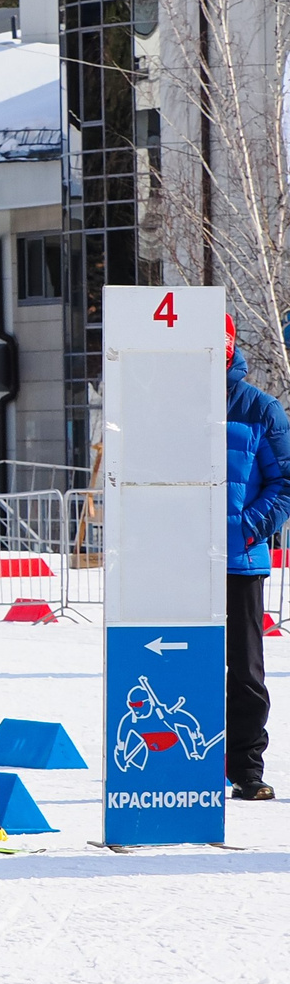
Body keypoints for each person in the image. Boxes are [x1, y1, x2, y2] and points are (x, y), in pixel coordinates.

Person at [224, 315, 290, 800]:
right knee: (187, 664)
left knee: (246, 671)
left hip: (239, 560)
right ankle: (189, 761)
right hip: (178, 562)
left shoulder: (261, 408)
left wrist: (247, 529)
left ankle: (247, 766)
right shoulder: (165, 399)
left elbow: (284, 483)